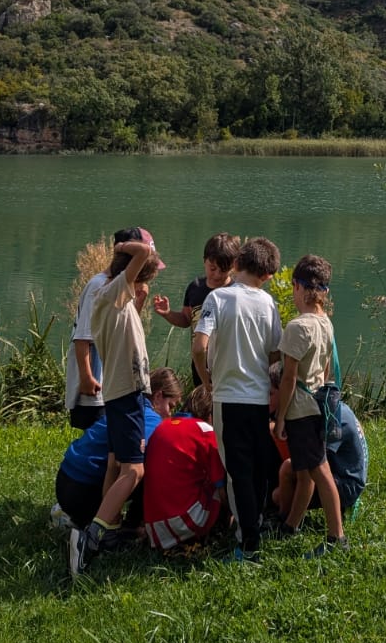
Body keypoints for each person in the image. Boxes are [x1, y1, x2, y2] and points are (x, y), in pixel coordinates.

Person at [69, 228, 164, 577]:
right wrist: (125, 247)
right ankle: (90, 537)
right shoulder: (112, 290)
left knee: (116, 462)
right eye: (148, 272)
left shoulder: (114, 298)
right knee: (134, 471)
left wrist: (139, 298)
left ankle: (107, 529)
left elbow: (125, 330)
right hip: (126, 394)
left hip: (120, 392)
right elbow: (142, 254)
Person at [192, 237, 282, 564]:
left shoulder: (217, 298)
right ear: (267, 275)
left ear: (238, 262)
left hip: (228, 398)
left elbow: (199, 346)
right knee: (257, 468)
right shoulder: (268, 303)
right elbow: (275, 354)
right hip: (259, 399)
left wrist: (207, 381)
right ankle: (254, 525)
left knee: (237, 471)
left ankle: (248, 544)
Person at [274, 254, 348, 556]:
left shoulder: (297, 327)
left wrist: (280, 417)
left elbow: (289, 378)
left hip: (302, 411)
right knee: (304, 470)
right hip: (320, 405)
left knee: (319, 470)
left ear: (297, 286)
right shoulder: (325, 323)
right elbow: (327, 368)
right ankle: (291, 524)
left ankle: (336, 537)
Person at [54, 368, 182, 531]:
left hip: (64, 481)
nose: (170, 414)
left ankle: (79, 518)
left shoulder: (126, 406)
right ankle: (131, 525)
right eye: (170, 406)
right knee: (152, 467)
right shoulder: (151, 419)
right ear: (158, 396)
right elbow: (120, 465)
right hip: (82, 491)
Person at [64, 228, 142, 429]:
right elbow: (82, 337)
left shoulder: (118, 286)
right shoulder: (98, 286)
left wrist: (140, 300)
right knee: (97, 436)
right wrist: (86, 378)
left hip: (110, 384)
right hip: (95, 386)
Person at [143, 386, 229, 553]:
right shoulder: (206, 431)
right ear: (212, 414)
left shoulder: (162, 426)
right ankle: (222, 529)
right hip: (184, 522)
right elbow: (222, 488)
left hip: (153, 527)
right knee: (221, 480)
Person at [153, 233, 239, 386]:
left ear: (233, 266)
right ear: (204, 261)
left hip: (227, 366)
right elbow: (187, 320)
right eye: (212, 268)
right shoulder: (195, 287)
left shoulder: (236, 292)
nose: (217, 275)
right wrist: (168, 313)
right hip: (199, 365)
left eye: (223, 270)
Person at [273, 398, 367, 526]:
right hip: (350, 474)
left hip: (348, 484)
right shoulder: (336, 407)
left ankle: (284, 521)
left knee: (279, 491)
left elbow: (313, 464)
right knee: (283, 486)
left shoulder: (332, 419)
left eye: (271, 394)